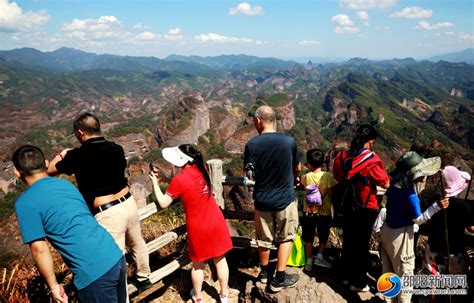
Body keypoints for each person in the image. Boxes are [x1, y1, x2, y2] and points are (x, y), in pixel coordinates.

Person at [47, 112, 152, 290]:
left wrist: (62, 154)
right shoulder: (116, 148)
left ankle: (121, 295)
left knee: (114, 257)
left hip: (108, 212)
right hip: (128, 203)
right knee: (137, 243)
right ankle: (144, 277)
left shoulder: (77, 155)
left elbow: (49, 170)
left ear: (80, 133)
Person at [13, 145, 126, 303]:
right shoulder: (65, 185)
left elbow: (39, 249)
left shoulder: (25, 203)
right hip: (114, 255)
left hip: (93, 273)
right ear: (46, 163)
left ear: (17, 172)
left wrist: (53, 286)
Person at [149, 144, 232, 303]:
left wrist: (154, 184)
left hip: (198, 227)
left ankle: (198, 297)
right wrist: (166, 179)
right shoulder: (202, 170)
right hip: (215, 221)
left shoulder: (180, 179)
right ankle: (224, 295)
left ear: (180, 161)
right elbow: (188, 186)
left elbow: (164, 202)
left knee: (197, 265)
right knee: (220, 260)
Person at [243, 105, 301, 292]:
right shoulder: (289, 141)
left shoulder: (251, 145)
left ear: (258, 121)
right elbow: (297, 168)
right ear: (274, 120)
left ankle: (264, 273)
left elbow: (249, 174)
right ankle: (279, 278)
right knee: (286, 237)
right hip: (285, 198)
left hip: (262, 200)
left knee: (263, 239)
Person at [381, 151, 449, 303]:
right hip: (400, 237)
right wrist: (436, 207)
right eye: (422, 174)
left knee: (389, 271)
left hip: (386, 232)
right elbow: (418, 220)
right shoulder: (410, 195)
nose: (424, 177)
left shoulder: (394, 187)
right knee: (405, 276)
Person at [332, 124, 390, 292]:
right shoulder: (371, 161)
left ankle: (345, 277)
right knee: (361, 245)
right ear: (370, 142)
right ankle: (357, 282)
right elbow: (385, 182)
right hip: (366, 206)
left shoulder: (342, 157)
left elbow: (337, 175)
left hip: (346, 205)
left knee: (348, 241)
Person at [425, 166, 473, 275]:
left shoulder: (435, 200)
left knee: (434, 283)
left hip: (433, 248)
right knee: (455, 285)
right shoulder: (464, 206)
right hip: (453, 252)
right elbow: (471, 229)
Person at [300, 149, 336, 271]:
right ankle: (320, 256)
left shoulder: (306, 177)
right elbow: (332, 194)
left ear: (309, 164)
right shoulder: (328, 176)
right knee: (323, 235)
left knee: (308, 236)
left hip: (309, 212)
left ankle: (309, 260)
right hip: (324, 212)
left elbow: (302, 184)